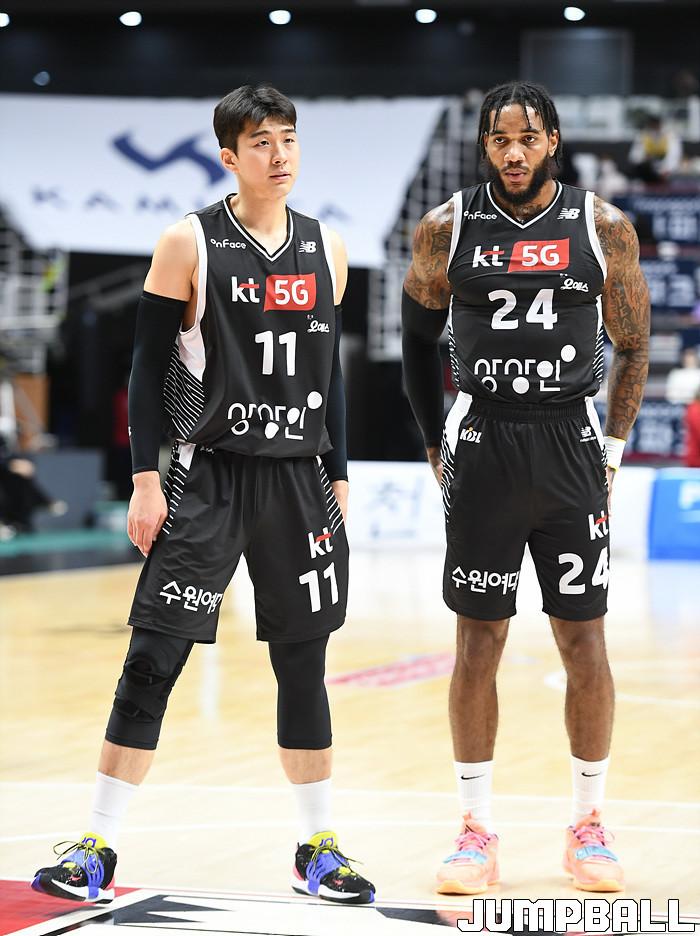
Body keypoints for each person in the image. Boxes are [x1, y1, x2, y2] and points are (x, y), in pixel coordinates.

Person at [32, 84, 375, 906]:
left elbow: (328, 371)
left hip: (298, 478)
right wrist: (145, 478)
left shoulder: (327, 246)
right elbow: (146, 369)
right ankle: (97, 844)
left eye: (289, 138)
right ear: (229, 156)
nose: (280, 155)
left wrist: (339, 472)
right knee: (152, 659)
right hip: (208, 473)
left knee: (304, 665)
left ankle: (317, 847)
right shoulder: (188, 242)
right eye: (261, 142)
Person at [401, 80, 649, 895]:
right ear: (485, 145)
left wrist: (614, 444)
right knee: (479, 642)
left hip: (569, 442)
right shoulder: (445, 229)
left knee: (584, 640)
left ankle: (589, 824)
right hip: (485, 442)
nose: (514, 153)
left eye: (528, 138)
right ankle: (475, 831)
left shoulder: (602, 227)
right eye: (500, 140)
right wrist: (431, 440)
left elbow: (634, 342)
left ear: (552, 143)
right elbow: (415, 344)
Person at [628, 113, 682, 185]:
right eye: (652, 124)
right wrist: (644, 159)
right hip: (647, 173)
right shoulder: (642, 136)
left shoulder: (670, 136)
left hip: (666, 173)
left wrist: (667, 170)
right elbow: (634, 158)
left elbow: (674, 156)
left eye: (656, 123)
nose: (654, 126)